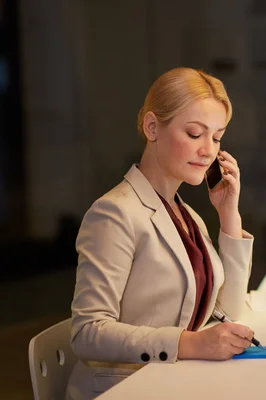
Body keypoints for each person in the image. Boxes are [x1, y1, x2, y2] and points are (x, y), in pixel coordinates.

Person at [66, 67, 255, 400]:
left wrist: (229, 216)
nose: (208, 150)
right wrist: (190, 343)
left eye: (217, 136)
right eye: (195, 134)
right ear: (152, 127)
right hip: (126, 390)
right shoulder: (114, 213)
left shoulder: (187, 215)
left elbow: (230, 310)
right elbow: (87, 333)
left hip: (174, 383)